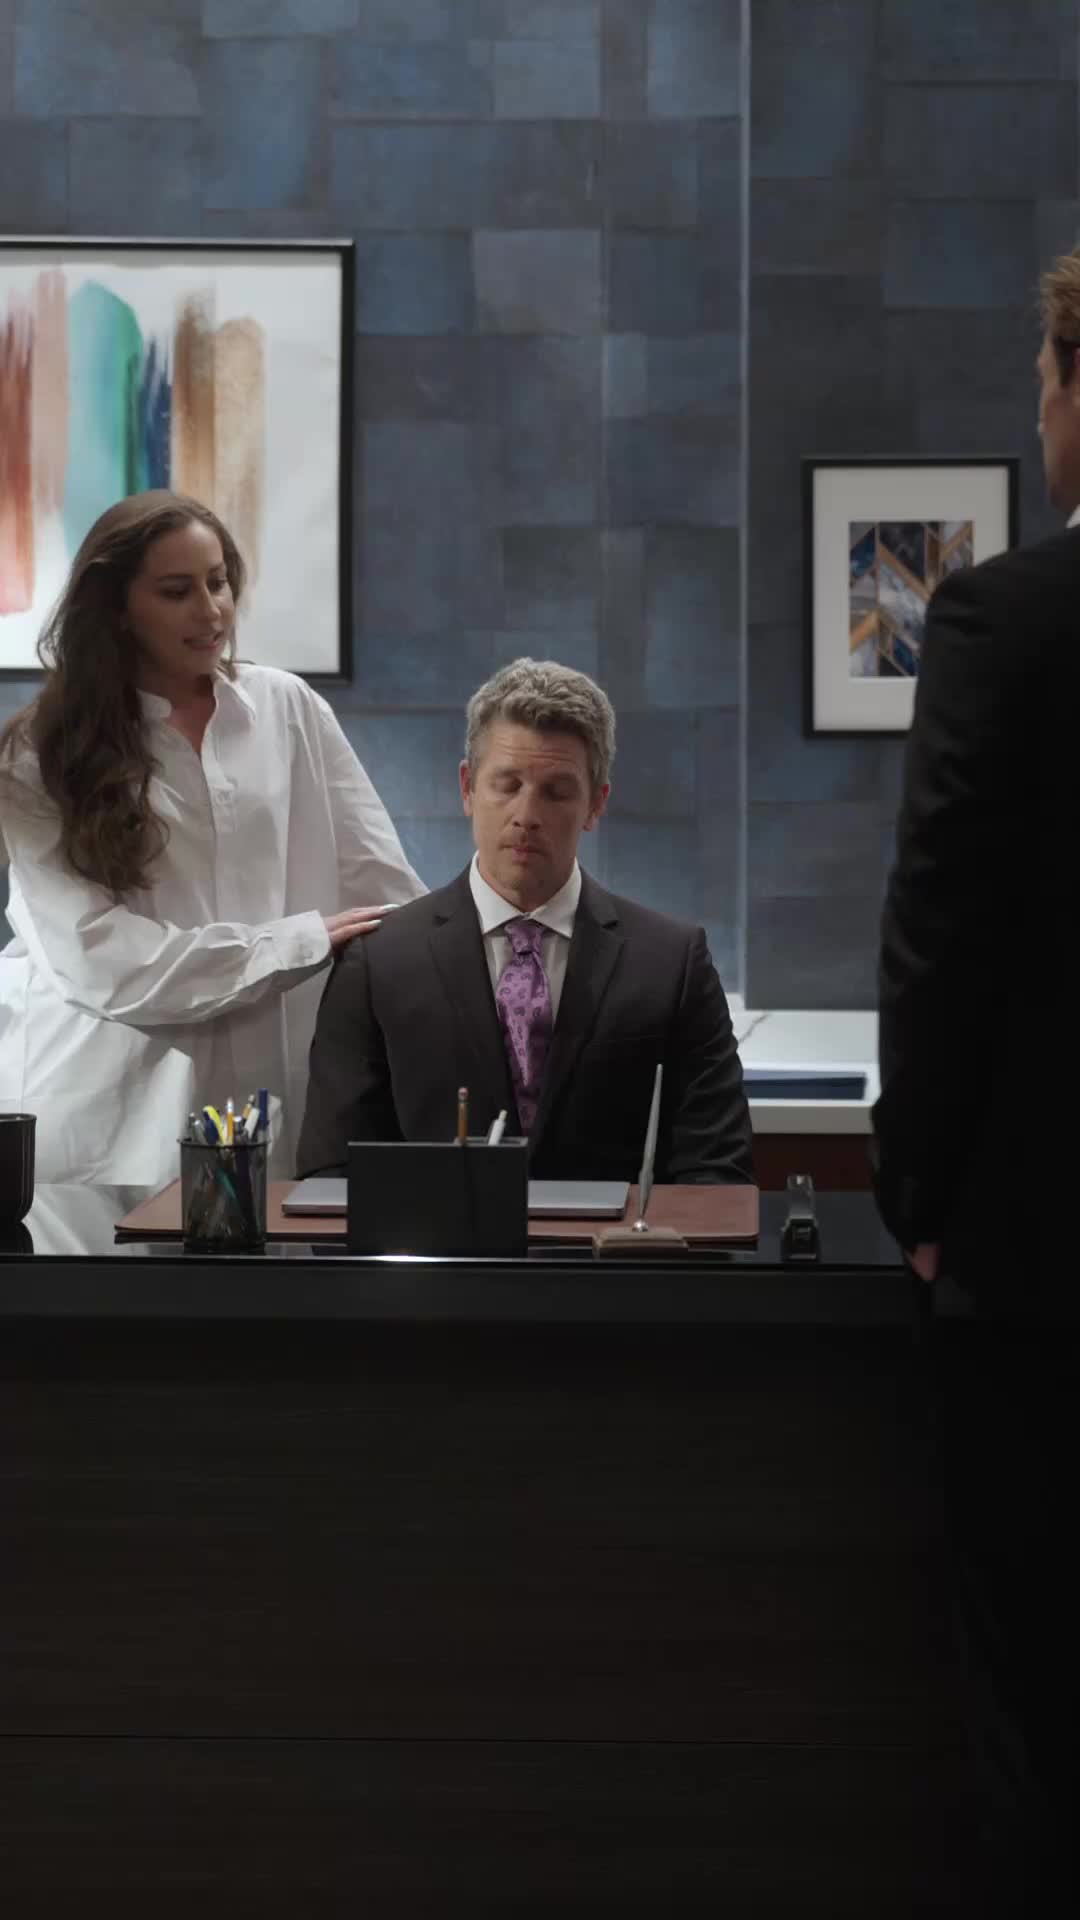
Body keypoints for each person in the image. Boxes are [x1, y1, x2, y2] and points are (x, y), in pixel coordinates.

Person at [874, 253, 1075, 1908]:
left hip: (1045, 1256)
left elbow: (942, 927)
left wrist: (920, 1193)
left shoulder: (1010, 618)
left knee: (1042, 1695)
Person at [0, 490, 424, 1187]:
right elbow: (97, 957)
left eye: (218, 581)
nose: (211, 611)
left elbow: (382, 888)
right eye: (177, 592)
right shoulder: (39, 755)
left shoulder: (287, 708)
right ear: (116, 607)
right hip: (109, 1122)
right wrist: (290, 945)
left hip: (273, 1100)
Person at [297, 658, 752, 1185]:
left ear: (596, 803)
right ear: (467, 788)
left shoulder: (672, 964)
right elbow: (331, 1174)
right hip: (434, 1240)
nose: (527, 815)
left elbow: (717, 1174)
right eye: (507, 784)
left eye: (556, 792)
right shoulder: (377, 963)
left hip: (619, 1241)